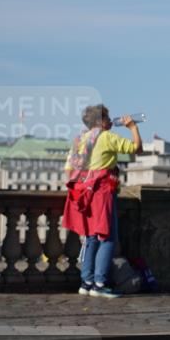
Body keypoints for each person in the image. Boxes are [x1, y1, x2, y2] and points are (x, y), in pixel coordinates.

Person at [61, 105, 143, 298]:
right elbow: (136, 149)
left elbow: (68, 169)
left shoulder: (79, 139)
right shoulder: (106, 137)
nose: (110, 120)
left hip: (83, 194)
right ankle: (99, 284)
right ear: (100, 121)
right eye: (106, 117)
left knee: (90, 238)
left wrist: (86, 179)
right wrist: (132, 127)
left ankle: (86, 282)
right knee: (107, 238)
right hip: (102, 192)